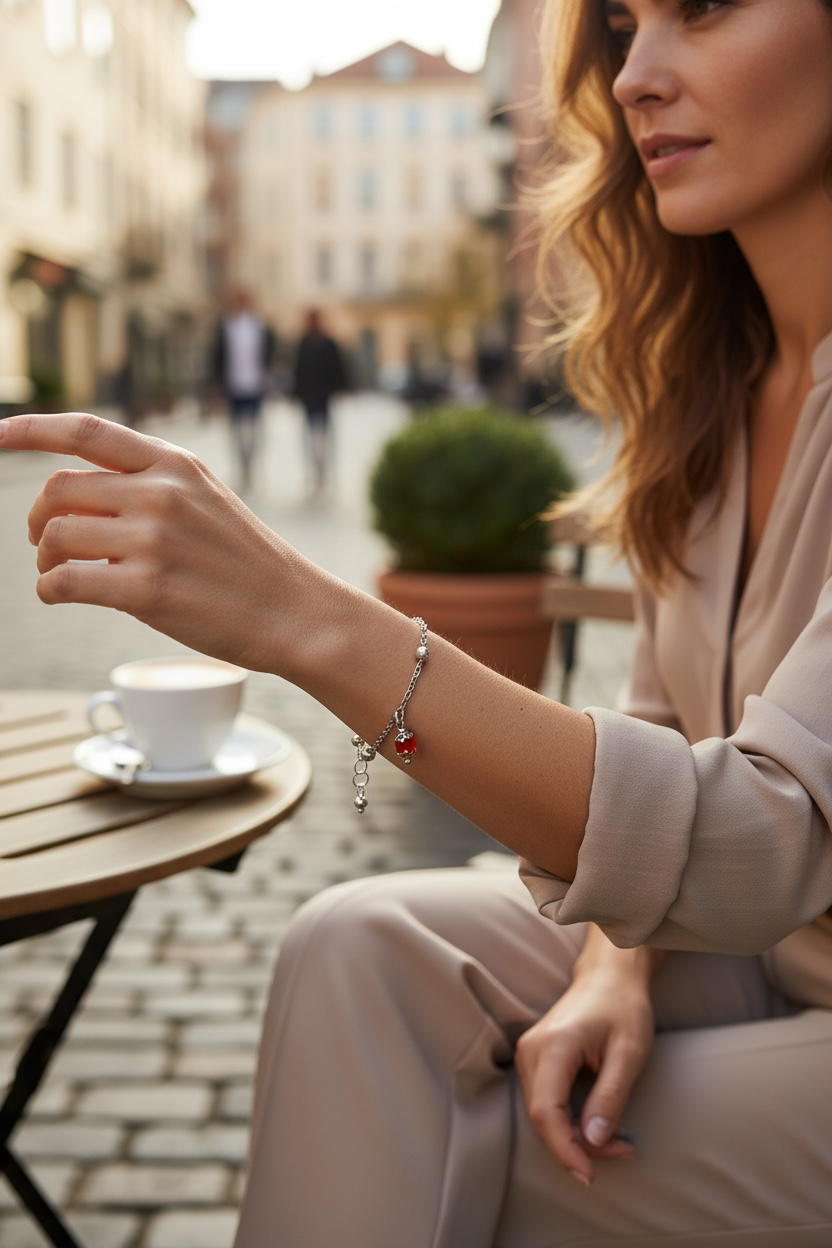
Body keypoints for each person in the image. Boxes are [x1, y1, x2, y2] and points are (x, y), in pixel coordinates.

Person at [2, 0, 832, 1241]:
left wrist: (305, 617)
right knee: (356, 937)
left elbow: (762, 834)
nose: (636, 77)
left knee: (435, 1131)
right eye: (619, 25)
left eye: (703, 8)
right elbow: (663, 717)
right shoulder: (709, 377)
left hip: (779, 948)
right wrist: (613, 966)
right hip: (753, 959)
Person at [211, 289, 276, 489]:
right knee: (236, 431)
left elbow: (269, 352)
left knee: (254, 431)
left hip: (255, 386)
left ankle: (251, 465)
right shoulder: (226, 326)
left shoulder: (260, 326)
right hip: (234, 386)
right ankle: (241, 466)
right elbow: (217, 356)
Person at [291, 308, 347, 494]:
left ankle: (324, 472)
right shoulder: (303, 343)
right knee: (310, 439)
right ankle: (313, 472)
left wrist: (339, 389)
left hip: (324, 398)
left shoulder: (329, 343)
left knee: (326, 438)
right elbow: (298, 371)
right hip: (308, 398)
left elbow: (338, 369)